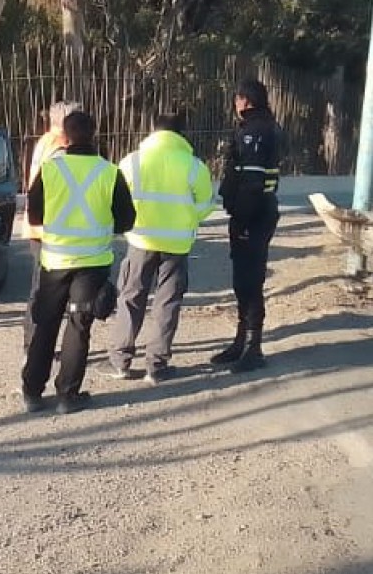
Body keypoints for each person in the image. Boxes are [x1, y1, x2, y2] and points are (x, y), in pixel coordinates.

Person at [21, 109, 135, 414]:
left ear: (65, 136)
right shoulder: (109, 172)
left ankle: (32, 392)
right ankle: (67, 395)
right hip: (92, 261)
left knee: (45, 324)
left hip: (54, 259)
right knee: (78, 326)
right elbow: (126, 220)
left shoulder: (50, 169)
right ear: (94, 133)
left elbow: (34, 215)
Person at [105, 111, 214, 382]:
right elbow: (205, 206)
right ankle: (157, 365)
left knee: (130, 298)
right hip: (177, 244)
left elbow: (117, 201)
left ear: (153, 130)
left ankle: (120, 361)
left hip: (140, 240)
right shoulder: (194, 166)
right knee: (168, 302)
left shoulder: (131, 162)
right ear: (181, 133)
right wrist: (185, 219)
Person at [212, 79, 283, 371]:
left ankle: (253, 349)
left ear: (244, 100)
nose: (235, 104)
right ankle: (242, 342)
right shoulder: (265, 127)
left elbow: (252, 182)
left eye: (236, 99)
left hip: (253, 214)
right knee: (244, 281)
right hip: (260, 210)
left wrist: (241, 219)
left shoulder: (254, 131)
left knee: (249, 282)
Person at [19, 99, 77, 345]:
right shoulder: (60, 146)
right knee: (45, 290)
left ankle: (34, 340)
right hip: (50, 226)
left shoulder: (45, 141)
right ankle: (36, 341)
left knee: (40, 287)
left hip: (39, 224)